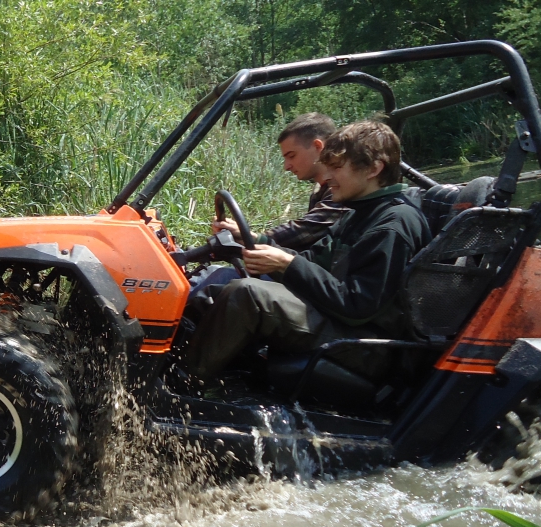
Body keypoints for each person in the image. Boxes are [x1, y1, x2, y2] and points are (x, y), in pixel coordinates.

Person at [185, 120, 432, 380]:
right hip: (341, 323)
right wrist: (264, 248)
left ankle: (187, 383)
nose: (328, 177)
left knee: (247, 294)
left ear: (373, 168)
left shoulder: (393, 224)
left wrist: (286, 264)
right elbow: (311, 261)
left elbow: (358, 306)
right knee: (214, 291)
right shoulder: (358, 213)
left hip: (368, 344)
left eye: (336, 167)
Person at [213, 112, 349, 250]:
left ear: (318, 146)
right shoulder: (320, 189)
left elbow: (306, 229)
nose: (286, 166)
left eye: (292, 156)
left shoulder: (342, 191)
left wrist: (251, 237)